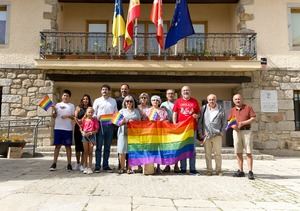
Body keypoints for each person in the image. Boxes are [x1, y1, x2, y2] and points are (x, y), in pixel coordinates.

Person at [173, 86, 200, 175]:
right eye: (184, 90)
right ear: (181, 92)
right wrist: (175, 125)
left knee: (192, 149)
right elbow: (175, 113)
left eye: (187, 90)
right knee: (182, 148)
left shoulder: (194, 101)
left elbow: (198, 113)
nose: (186, 92)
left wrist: (197, 116)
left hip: (192, 129)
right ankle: (183, 168)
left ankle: (192, 169)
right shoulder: (178, 101)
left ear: (190, 91)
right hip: (181, 129)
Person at [229, 94, 256, 180]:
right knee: (238, 152)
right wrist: (233, 126)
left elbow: (253, 118)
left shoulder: (248, 108)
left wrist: (243, 123)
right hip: (236, 132)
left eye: (239, 99)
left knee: (248, 152)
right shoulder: (232, 110)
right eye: (236, 99)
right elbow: (230, 121)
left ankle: (250, 171)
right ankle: (240, 171)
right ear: (234, 101)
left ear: (242, 99)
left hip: (246, 131)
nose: (237, 100)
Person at [198, 94, 226, 176]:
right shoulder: (203, 108)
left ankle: (218, 170)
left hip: (217, 135)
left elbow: (224, 122)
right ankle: (209, 170)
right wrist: (200, 133)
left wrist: (222, 131)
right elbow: (200, 122)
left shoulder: (221, 109)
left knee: (218, 154)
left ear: (216, 100)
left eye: (213, 99)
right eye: (210, 99)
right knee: (207, 154)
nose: (211, 101)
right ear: (207, 100)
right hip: (206, 135)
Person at [93, 84, 118, 173]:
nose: (104, 91)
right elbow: (93, 113)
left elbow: (116, 113)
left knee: (107, 147)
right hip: (100, 125)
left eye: (106, 89)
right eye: (103, 89)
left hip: (110, 125)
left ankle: (106, 165)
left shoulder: (113, 101)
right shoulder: (97, 101)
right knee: (99, 147)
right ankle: (97, 166)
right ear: (101, 91)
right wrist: (97, 117)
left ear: (109, 91)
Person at [49, 89, 75, 171]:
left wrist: (67, 116)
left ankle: (69, 164)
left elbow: (74, 117)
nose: (65, 97)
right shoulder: (57, 105)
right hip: (58, 128)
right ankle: (54, 163)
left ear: (69, 97)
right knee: (57, 146)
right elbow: (54, 116)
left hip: (68, 129)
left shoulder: (71, 106)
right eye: (64, 95)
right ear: (62, 96)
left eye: (67, 96)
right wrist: (53, 111)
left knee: (68, 147)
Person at [117, 95, 141, 174]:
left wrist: (133, 122)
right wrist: (124, 121)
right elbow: (117, 123)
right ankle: (122, 167)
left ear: (133, 102)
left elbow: (140, 122)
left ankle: (129, 168)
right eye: (127, 101)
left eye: (131, 101)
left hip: (133, 133)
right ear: (125, 102)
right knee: (122, 150)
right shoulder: (121, 111)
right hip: (122, 132)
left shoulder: (136, 111)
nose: (129, 102)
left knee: (131, 150)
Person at [145, 95, 168, 174]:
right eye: (153, 100)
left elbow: (166, 120)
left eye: (157, 100)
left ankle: (158, 167)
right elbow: (145, 122)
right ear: (151, 101)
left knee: (159, 150)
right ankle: (151, 167)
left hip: (160, 133)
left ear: (159, 101)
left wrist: (162, 121)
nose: (155, 101)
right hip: (151, 133)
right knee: (151, 150)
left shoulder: (163, 111)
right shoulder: (148, 111)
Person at [160, 89, 180, 173]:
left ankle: (176, 165)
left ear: (174, 94)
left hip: (176, 127)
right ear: (166, 95)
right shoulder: (163, 104)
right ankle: (167, 165)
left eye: (172, 93)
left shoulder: (178, 103)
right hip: (166, 128)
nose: (170, 95)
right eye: (169, 93)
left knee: (176, 147)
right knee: (167, 147)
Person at [74, 94, 92, 172]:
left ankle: (82, 164)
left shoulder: (90, 109)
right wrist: (81, 119)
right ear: (82, 100)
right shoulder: (78, 108)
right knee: (78, 148)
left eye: (87, 99)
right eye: (84, 99)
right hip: (78, 130)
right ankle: (77, 163)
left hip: (86, 131)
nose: (85, 100)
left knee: (84, 149)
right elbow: (76, 118)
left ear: (89, 100)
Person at [80, 107, 99, 174]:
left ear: (93, 113)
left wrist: (90, 133)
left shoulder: (95, 120)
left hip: (92, 137)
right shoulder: (84, 120)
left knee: (90, 152)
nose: (90, 113)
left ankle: (90, 167)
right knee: (85, 152)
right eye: (89, 112)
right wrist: (82, 132)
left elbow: (96, 130)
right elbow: (81, 128)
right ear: (86, 113)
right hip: (85, 137)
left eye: (91, 112)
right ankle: (85, 166)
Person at [136, 92, 150, 173]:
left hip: (148, 130)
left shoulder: (150, 108)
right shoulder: (137, 108)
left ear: (147, 99)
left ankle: (147, 165)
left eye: (145, 98)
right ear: (139, 99)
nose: (143, 99)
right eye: (142, 97)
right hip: (138, 130)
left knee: (147, 148)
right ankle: (139, 165)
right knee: (139, 148)